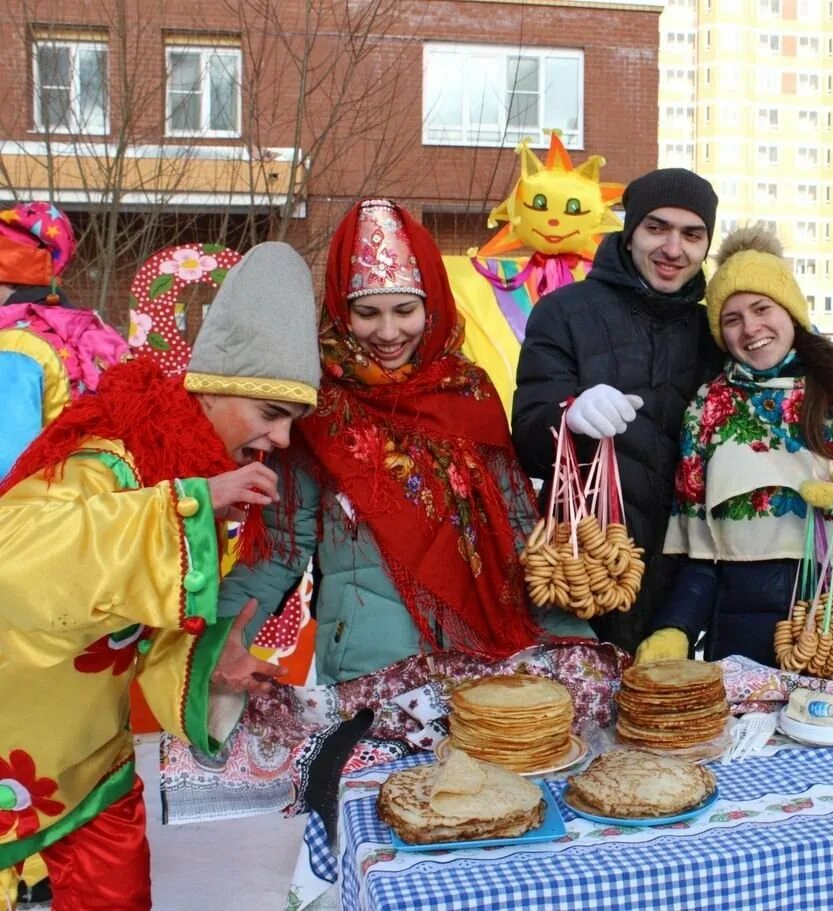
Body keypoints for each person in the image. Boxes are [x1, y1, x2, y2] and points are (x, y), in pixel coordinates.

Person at [0, 241, 321, 909]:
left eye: (293, 421)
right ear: (209, 392)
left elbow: (142, 626)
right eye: (272, 414)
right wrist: (187, 509)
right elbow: (15, 559)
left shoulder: (202, 484)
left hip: (92, 764)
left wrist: (215, 666)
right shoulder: (111, 459)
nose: (284, 440)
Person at [219, 199, 587, 686]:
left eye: (405, 311)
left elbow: (518, 531)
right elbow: (280, 546)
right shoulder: (319, 409)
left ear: (431, 305)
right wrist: (215, 639)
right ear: (340, 310)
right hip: (371, 668)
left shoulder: (470, 392)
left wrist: (568, 637)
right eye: (367, 313)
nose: (388, 333)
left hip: (484, 658)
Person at [634, 226, 833, 686]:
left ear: (790, 310)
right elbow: (700, 552)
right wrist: (674, 629)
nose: (750, 328)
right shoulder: (710, 408)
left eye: (762, 308)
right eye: (732, 318)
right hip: (742, 644)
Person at [512, 168, 725, 653]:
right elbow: (527, 438)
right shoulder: (565, 312)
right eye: (657, 228)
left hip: (681, 586)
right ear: (630, 233)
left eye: (692, 235)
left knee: (668, 722)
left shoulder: (713, 332)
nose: (673, 249)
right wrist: (569, 417)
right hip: (581, 570)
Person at [0, 201, 129, 477]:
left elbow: (5, 463)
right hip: (107, 507)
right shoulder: (99, 334)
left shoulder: (13, 345)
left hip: (31, 512)